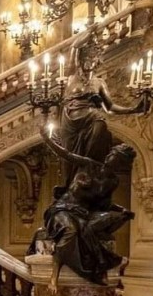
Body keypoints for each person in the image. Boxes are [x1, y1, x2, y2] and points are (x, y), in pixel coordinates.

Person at [31, 126, 136, 292]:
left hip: (84, 213)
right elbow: (66, 155)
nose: (110, 157)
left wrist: (122, 211)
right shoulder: (89, 165)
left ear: (121, 163)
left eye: (116, 157)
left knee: (97, 226)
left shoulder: (112, 181)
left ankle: (101, 265)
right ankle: (55, 274)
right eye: (112, 154)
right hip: (63, 209)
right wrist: (48, 139)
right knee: (71, 231)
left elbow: (105, 204)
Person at [58, 38, 145, 190]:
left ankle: (89, 168)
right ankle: (68, 186)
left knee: (101, 124)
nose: (89, 61)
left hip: (91, 117)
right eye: (86, 57)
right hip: (71, 122)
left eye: (92, 58)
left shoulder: (99, 83)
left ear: (97, 61)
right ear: (81, 59)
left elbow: (110, 107)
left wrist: (133, 109)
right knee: (68, 158)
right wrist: (90, 32)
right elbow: (74, 45)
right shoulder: (72, 76)